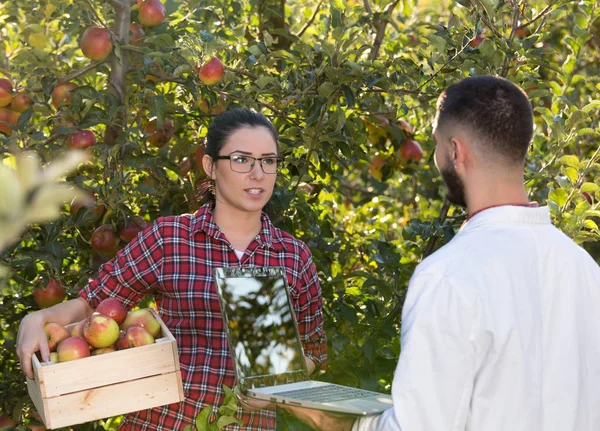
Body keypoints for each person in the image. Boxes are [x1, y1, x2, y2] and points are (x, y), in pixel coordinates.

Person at [284, 75, 600, 431]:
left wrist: (337, 422)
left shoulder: (448, 274)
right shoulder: (583, 269)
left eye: (435, 144)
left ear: (455, 151)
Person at [16, 108, 328, 430]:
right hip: (163, 422)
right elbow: (95, 304)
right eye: (241, 159)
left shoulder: (292, 256)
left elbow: (313, 350)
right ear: (211, 166)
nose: (258, 173)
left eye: (268, 160)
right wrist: (38, 318)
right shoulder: (170, 238)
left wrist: (276, 380)